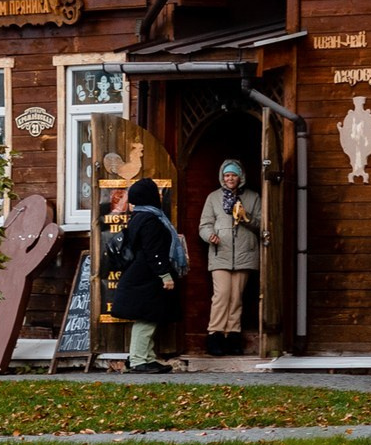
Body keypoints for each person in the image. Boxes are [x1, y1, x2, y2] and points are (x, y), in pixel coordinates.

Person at [102, 176, 186, 373]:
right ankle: (140, 360)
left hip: (141, 276)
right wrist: (165, 275)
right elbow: (153, 251)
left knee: (150, 316)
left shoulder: (139, 217)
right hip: (146, 277)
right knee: (146, 318)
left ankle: (145, 357)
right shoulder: (151, 220)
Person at [197, 159, 263, 357]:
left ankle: (233, 337)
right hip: (221, 253)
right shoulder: (214, 198)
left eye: (233, 175)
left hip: (245, 253)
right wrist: (210, 236)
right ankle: (215, 335)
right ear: (222, 177)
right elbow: (204, 224)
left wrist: (246, 217)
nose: (230, 179)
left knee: (236, 298)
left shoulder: (252, 197)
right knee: (221, 295)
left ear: (240, 177)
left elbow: (261, 224)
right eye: (227, 175)